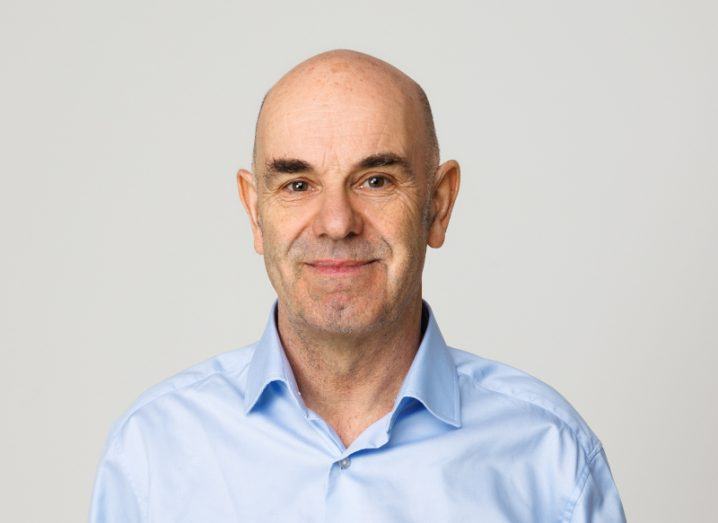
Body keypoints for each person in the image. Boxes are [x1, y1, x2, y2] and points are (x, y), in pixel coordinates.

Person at [90, 49, 626, 522]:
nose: (337, 223)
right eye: (297, 184)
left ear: (438, 205)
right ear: (255, 213)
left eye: (376, 181)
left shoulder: (549, 456)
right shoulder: (152, 452)